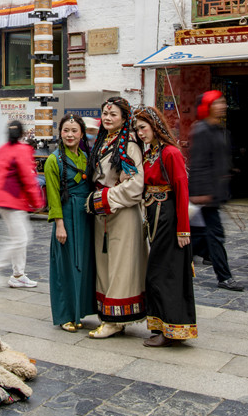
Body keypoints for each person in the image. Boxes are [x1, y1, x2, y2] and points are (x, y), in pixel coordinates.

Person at [84, 97, 148, 338]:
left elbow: (136, 184)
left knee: (121, 264)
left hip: (121, 212)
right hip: (103, 213)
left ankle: (115, 319)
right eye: (105, 114)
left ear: (124, 119)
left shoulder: (128, 144)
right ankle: (108, 315)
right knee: (106, 263)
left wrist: (106, 197)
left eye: (113, 114)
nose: (108, 118)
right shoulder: (104, 141)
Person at [134, 106, 197, 347]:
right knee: (159, 272)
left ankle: (171, 329)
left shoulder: (170, 153)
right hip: (154, 218)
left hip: (168, 219)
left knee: (164, 274)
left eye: (143, 127)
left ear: (154, 125)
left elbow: (182, 190)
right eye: (137, 129)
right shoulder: (151, 153)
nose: (140, 133)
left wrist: (183, 229)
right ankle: (164, 326)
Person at [0, 121, 44, 291]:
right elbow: (28, 179)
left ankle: (18, 275)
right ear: (22, 134)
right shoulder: (22, 150)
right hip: (12, 198)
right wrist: (37, 202)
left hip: (1, 198)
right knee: (20, 239)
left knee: (18, 237)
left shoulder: (2, 149)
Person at [45, 114, 96, 332]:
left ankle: (80, 310)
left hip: (85, 217)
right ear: (60, 133)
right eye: (66, 130)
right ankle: (65, 314)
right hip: (66, 216)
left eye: (74, 131)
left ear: (82, 134)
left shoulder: (86, 157)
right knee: (65, 267)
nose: (70, 135)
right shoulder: (53, 160)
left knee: (84, 265)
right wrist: (59, 224)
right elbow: (53, 197)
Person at [189, 91, 244, 291]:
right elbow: (198, 164)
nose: (223, 106)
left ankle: (191, 263)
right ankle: (224, 277)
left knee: (200, 236)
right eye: (218, 102)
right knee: (214, 236)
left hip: (214, 193)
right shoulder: (201, 130)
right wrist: (199, 192)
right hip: (205, 195)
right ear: (208, 106)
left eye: (223, 102)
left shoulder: (218, 129)